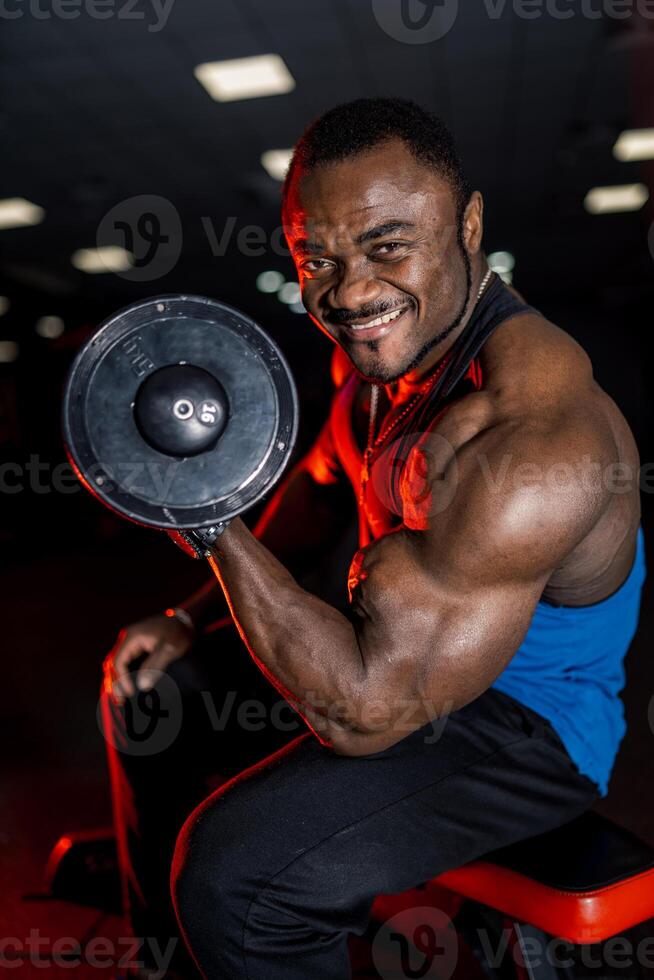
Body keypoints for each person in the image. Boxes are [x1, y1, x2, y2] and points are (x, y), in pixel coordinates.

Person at [102, 98, 646, 979]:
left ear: (469, 225)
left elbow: (365, 713)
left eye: (389, 247)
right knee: (149, 686)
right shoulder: (376, 364)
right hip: (404, 651)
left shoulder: (530, 438)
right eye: (319, 258)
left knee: (238, 876)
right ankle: (167, 962)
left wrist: (207, 518)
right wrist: (185, 613)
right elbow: (320, 491)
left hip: (528, 727)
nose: (350, 293)